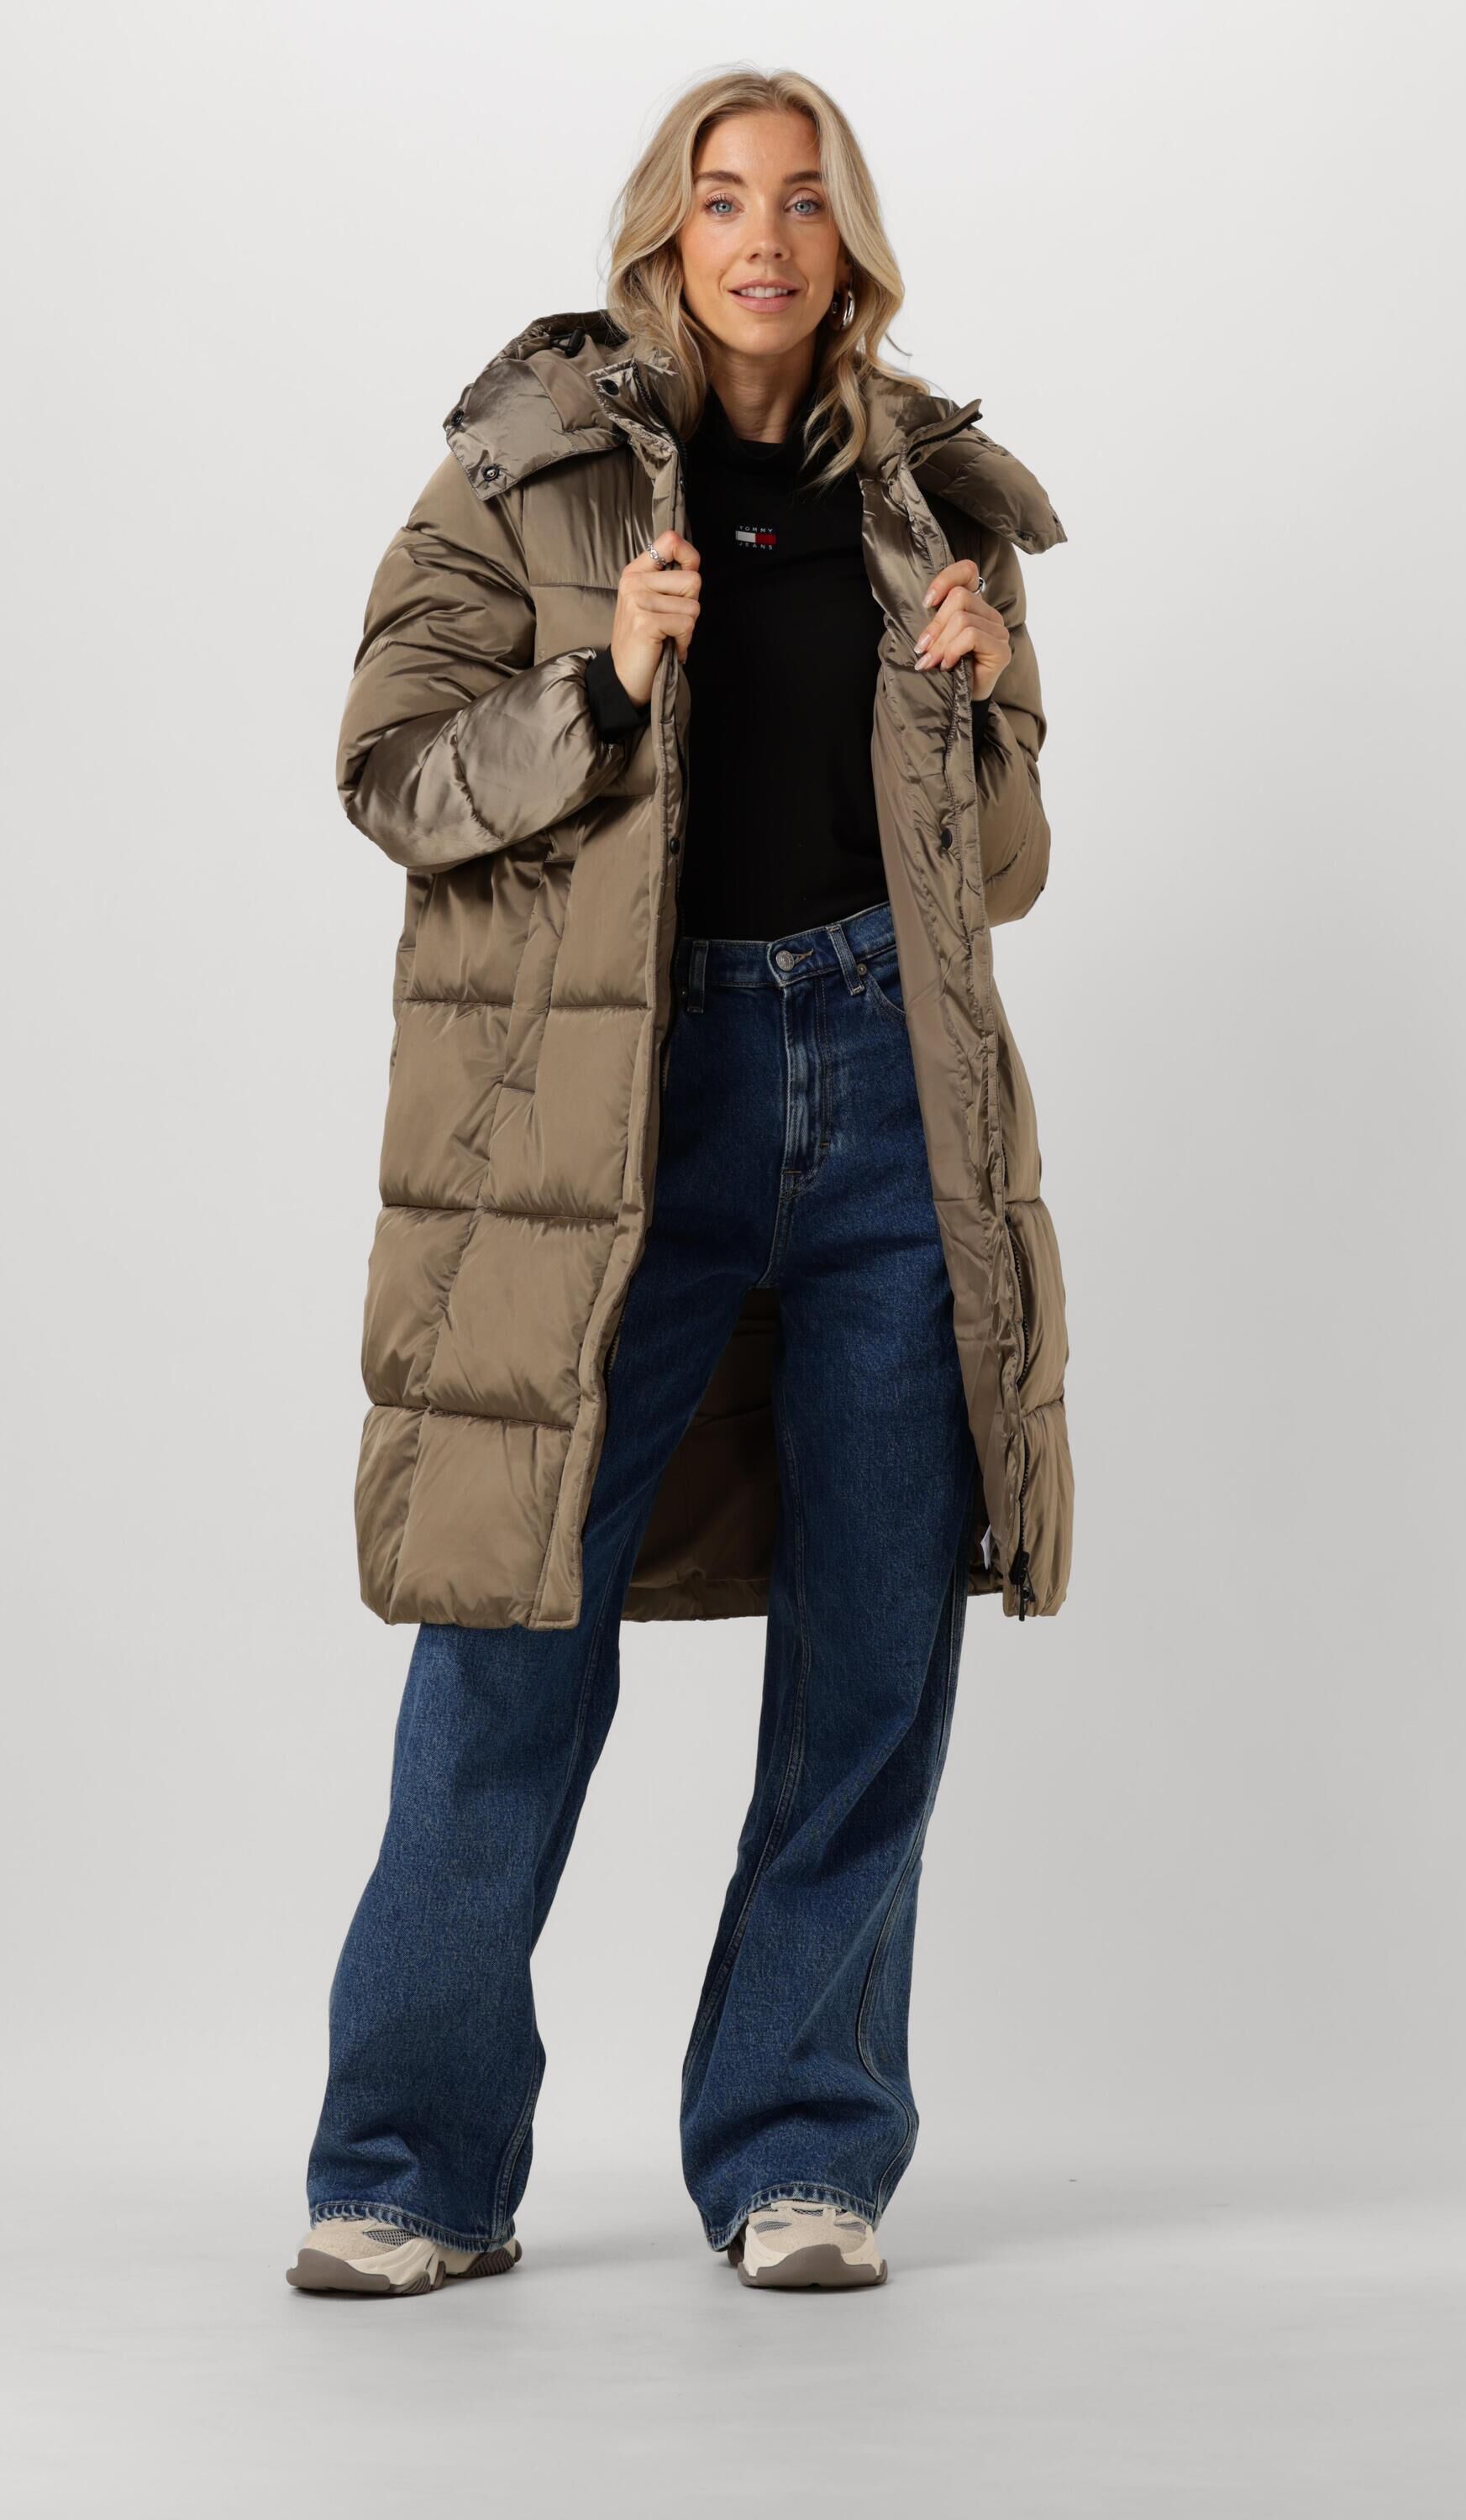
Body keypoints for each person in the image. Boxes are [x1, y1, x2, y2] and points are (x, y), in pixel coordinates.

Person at [287, 65, 1073, 2300]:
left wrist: (975, 706)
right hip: (616, 1114)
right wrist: (605, 677)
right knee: (513, 1633)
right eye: (725, 198)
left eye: (805, 201)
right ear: (663, 232)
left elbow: (1003, 875)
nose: (765, 238)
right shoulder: (522, 469)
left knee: (874, 1639)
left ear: (849, 243)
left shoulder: (933, 509)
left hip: (884, 1091)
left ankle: (801, 2146)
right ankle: (412, 2168)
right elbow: (389, 774)